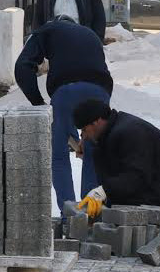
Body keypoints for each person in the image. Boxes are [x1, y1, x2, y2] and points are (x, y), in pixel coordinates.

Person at [15, 15, 115, 208]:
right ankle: (90, 213)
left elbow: (22, 67)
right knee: (93, 154)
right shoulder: (91, 35)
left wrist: (38, 103)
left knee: (59, 155)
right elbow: (100, 70)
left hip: (66, 92)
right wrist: (89, 130)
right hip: (100, 93)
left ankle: (69, 215)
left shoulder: (47, 30)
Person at [70, 99, 160, 228]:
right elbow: (114, 173)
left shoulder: (130, 131)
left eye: (84, 130)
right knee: (117, 206)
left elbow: (137, 176)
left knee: (127, 209)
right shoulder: (111, 133)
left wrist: (103, 192)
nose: (84, 136)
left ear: (97, 121)